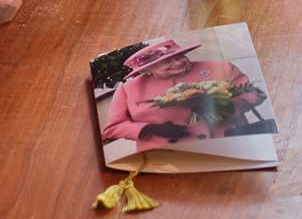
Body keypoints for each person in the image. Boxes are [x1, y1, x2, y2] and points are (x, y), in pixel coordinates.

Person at [101, 38, 263, 152]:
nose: (178, 62)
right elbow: (113, 128)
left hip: (228, 144)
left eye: (180, 55)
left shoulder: (220, 67)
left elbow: (254, 93)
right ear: (146, 70)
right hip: (165, 156)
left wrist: (226, 106)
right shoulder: (128, 89)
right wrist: (150, 129)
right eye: (168, 61)